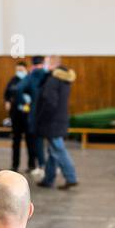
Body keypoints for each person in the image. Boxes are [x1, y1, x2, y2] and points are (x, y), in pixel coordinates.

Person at [33, 56, 78, 190]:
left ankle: (71, 177)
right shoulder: (65, 80)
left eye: (47, 63)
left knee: (58, 149)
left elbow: (49, 102)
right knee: (53, 151)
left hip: (51, 121)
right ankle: (49, 179)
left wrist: (40, 117)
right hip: (60, 120)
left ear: (52, 64)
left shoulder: (53, 80)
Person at [22, 57, 51, 175]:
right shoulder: (48, 75)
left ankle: (41, 166)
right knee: (52, 142)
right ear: (43, 63)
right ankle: (52, 166)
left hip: (35, 115)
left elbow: (19, 89)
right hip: (47, 114)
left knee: (37, 142)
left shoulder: (30, 76)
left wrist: (23, 101)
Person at [2, 61, 32, 172]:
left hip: (28, 115)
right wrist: (7, 101)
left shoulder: (30, 80)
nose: (19, 72)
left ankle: (31, 165)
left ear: (26, 69)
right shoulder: (13, 80)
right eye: (17, 70)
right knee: (16, 141)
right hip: (16, 115)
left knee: (30, 141)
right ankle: (15, 165)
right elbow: (6, 94)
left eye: (21, 70)